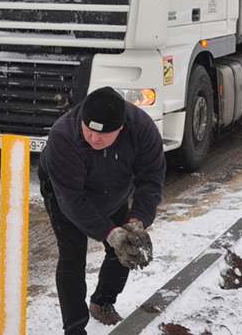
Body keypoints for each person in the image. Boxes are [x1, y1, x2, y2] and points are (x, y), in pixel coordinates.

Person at [38, 86, 166, 335]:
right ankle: (74, 329)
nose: (95, 139)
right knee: (72, 256)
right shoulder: (63, 135)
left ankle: (102, 302)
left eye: (104, 135)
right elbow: (72, 201)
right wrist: (109, 232)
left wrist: (138, 219)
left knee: (126, 246)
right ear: (82, 120)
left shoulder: (142, 128)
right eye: (88, 131)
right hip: (65, 194)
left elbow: (151, 179)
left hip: (115, 189)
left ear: (121, 127)